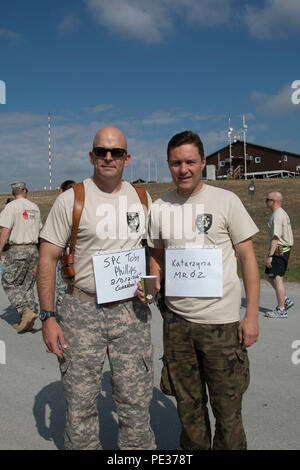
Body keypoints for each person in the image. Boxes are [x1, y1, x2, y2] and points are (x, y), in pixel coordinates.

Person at [138, 130, 260, 450]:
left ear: (203, 162)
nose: (184, 169)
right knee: (188, 411)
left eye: (190, 161)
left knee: (228, 412)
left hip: (221, 325)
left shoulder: (226, 201)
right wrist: (149, 290)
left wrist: (250, 316)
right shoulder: (161, 207)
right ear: (168, 165)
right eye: (176, 163)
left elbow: (248, 259)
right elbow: (156, 256)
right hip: (177, 324)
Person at [36, 126, 156, 450]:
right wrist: (48, 317)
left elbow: (155, 251)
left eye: (115, 152)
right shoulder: (71, 200)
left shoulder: (142, 199)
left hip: (132, 312)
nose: (108, 157)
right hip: (81, 311)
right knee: (80, 406)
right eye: (101, 151)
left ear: (126, 158)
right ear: (91, 155)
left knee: (135, 404)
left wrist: (150, 286)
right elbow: (46, 259)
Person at [0, 182, 42, 332]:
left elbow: (6, 230)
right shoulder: (35, 208)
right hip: (33, 249)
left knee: (8, 282)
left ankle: (25, 311)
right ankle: (27, 322)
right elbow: (39, 231)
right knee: (27, 285)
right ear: (25, 191)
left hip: (18, 250)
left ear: (13, 193)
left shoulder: (11, 207)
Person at [264, 192, 294, 319]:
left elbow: (276, 237)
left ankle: (281, 309)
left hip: (279, 250)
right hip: (281, 249)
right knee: (267, 275)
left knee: (277, 277)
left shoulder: (277, 215)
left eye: (267, 199)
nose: (266, 202)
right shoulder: (282, 213)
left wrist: (270, 255)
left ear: (274, 201)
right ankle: (285, 299)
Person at [55, 180, 75, 313]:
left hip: (66, 254)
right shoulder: (83, 206)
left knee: (63, 287)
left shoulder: (61, 207)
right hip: (82, 254)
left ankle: (63, 317)